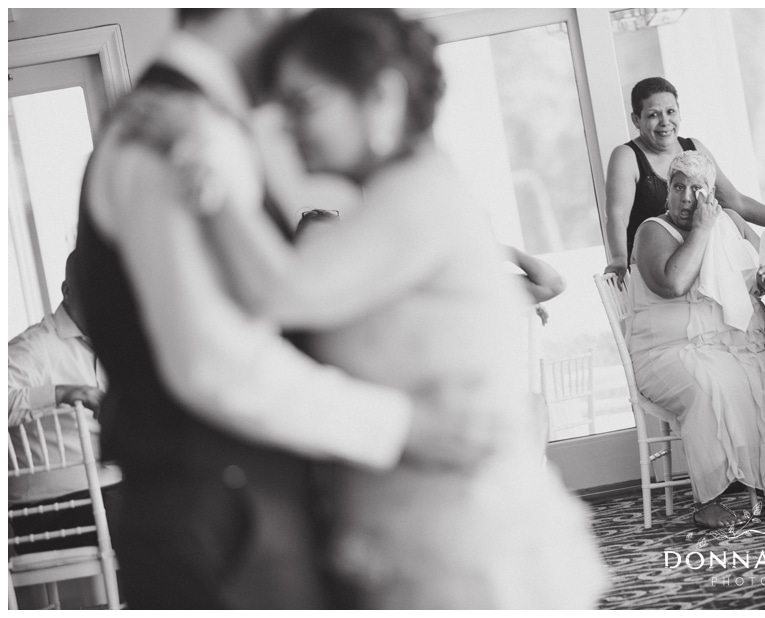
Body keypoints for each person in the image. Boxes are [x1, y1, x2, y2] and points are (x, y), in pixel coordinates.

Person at [156, 8, 606, 609]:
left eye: (304, 102)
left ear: (381, 96)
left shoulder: (414, 196)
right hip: (419, 520)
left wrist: (208, 176)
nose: (287, 125)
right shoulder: (393, 199)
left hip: (461, 538)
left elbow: (284, 293)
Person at [73, 8, 496, 609]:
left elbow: (286, 293)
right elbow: (214, 361)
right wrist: (399, 426)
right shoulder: (183, 134)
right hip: (225, 525)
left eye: (306, 103)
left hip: (246, 516)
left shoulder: (202, 129)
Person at [627, 150, 765, 529]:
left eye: (697, 189)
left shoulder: (731, 221)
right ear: (667, 192)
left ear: (712, 192)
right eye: (678, 188)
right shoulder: (652, 231)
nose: (687, 198)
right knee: (711, 384)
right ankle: (708, 500)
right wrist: (702, 230)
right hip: (667, 350)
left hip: (730, 343)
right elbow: (673, 284)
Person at [604, 77, 765, 283]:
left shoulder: (695, 148)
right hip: (656, 270)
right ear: (636, 120)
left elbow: (735, 201)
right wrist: (619, 259)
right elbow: (617, 216)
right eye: (653, 115)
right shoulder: (626, 156)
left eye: (670, 111)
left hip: (700, 265)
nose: (665, 121)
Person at [8, 251, 122, 553]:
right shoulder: (33, 348)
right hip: (55, 510)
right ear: (67, 291)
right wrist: (61, 393)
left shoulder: (117, 346)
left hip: (112, 492)